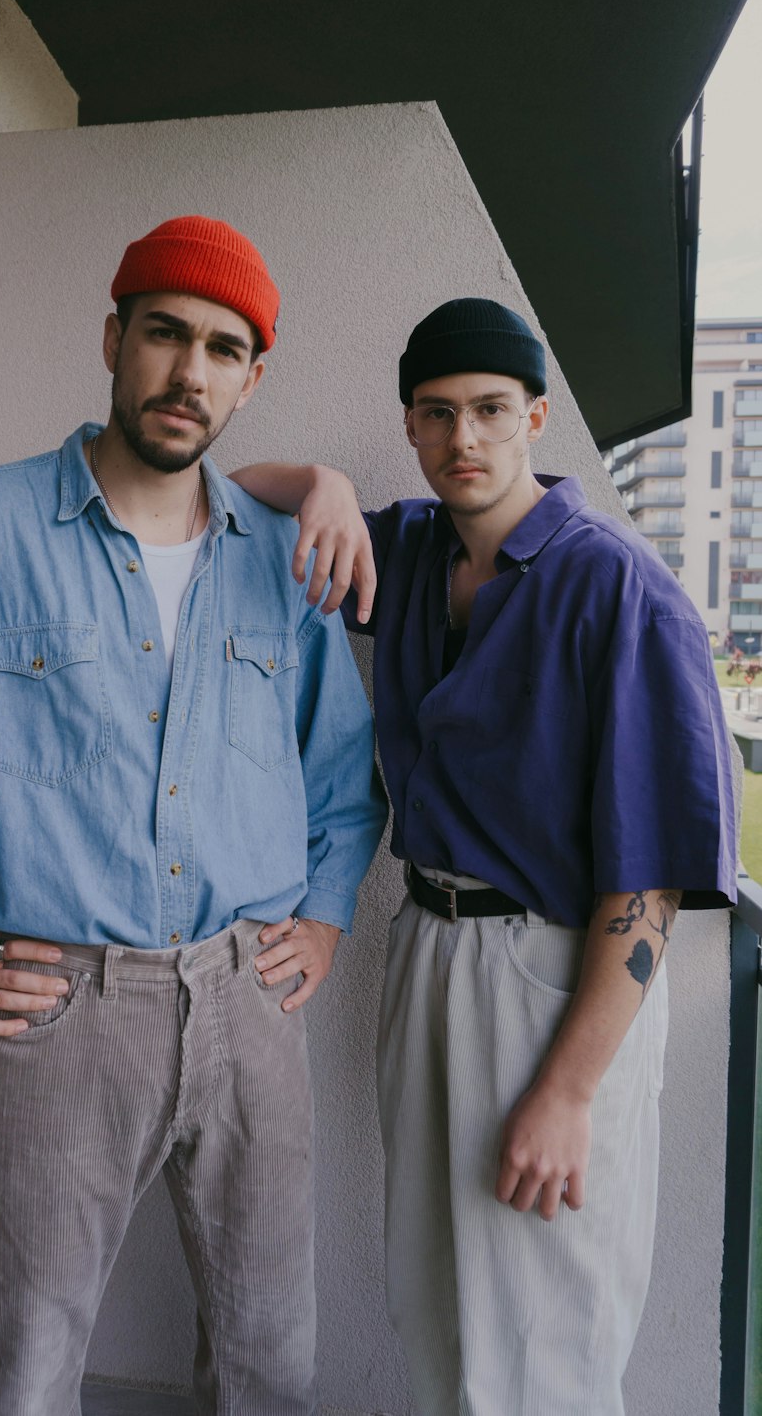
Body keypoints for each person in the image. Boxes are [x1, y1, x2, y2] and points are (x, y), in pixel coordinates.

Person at [0, 215, 387, 1416]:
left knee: (272, 1361)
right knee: (30, 1366)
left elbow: (342, 766)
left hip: (246, 1004)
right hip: (56, 1019)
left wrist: (321, 914)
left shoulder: (282, 555)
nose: (188, 372)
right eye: (164, 334)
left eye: (222, 349)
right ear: (114, 338)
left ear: (250, 379)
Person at [232, 297, 738, 1415]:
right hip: (428, 948)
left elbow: (648, 879)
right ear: (410, 427)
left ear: (537, 419)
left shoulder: (618, 588)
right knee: (435, 1297)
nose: (464, 438)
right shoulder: (408, 549)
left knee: (544, 1322)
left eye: (490, 411)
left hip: (559, 971)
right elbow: (238, 492)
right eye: (437, 413)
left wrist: (567, 1090)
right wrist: (317, 482)